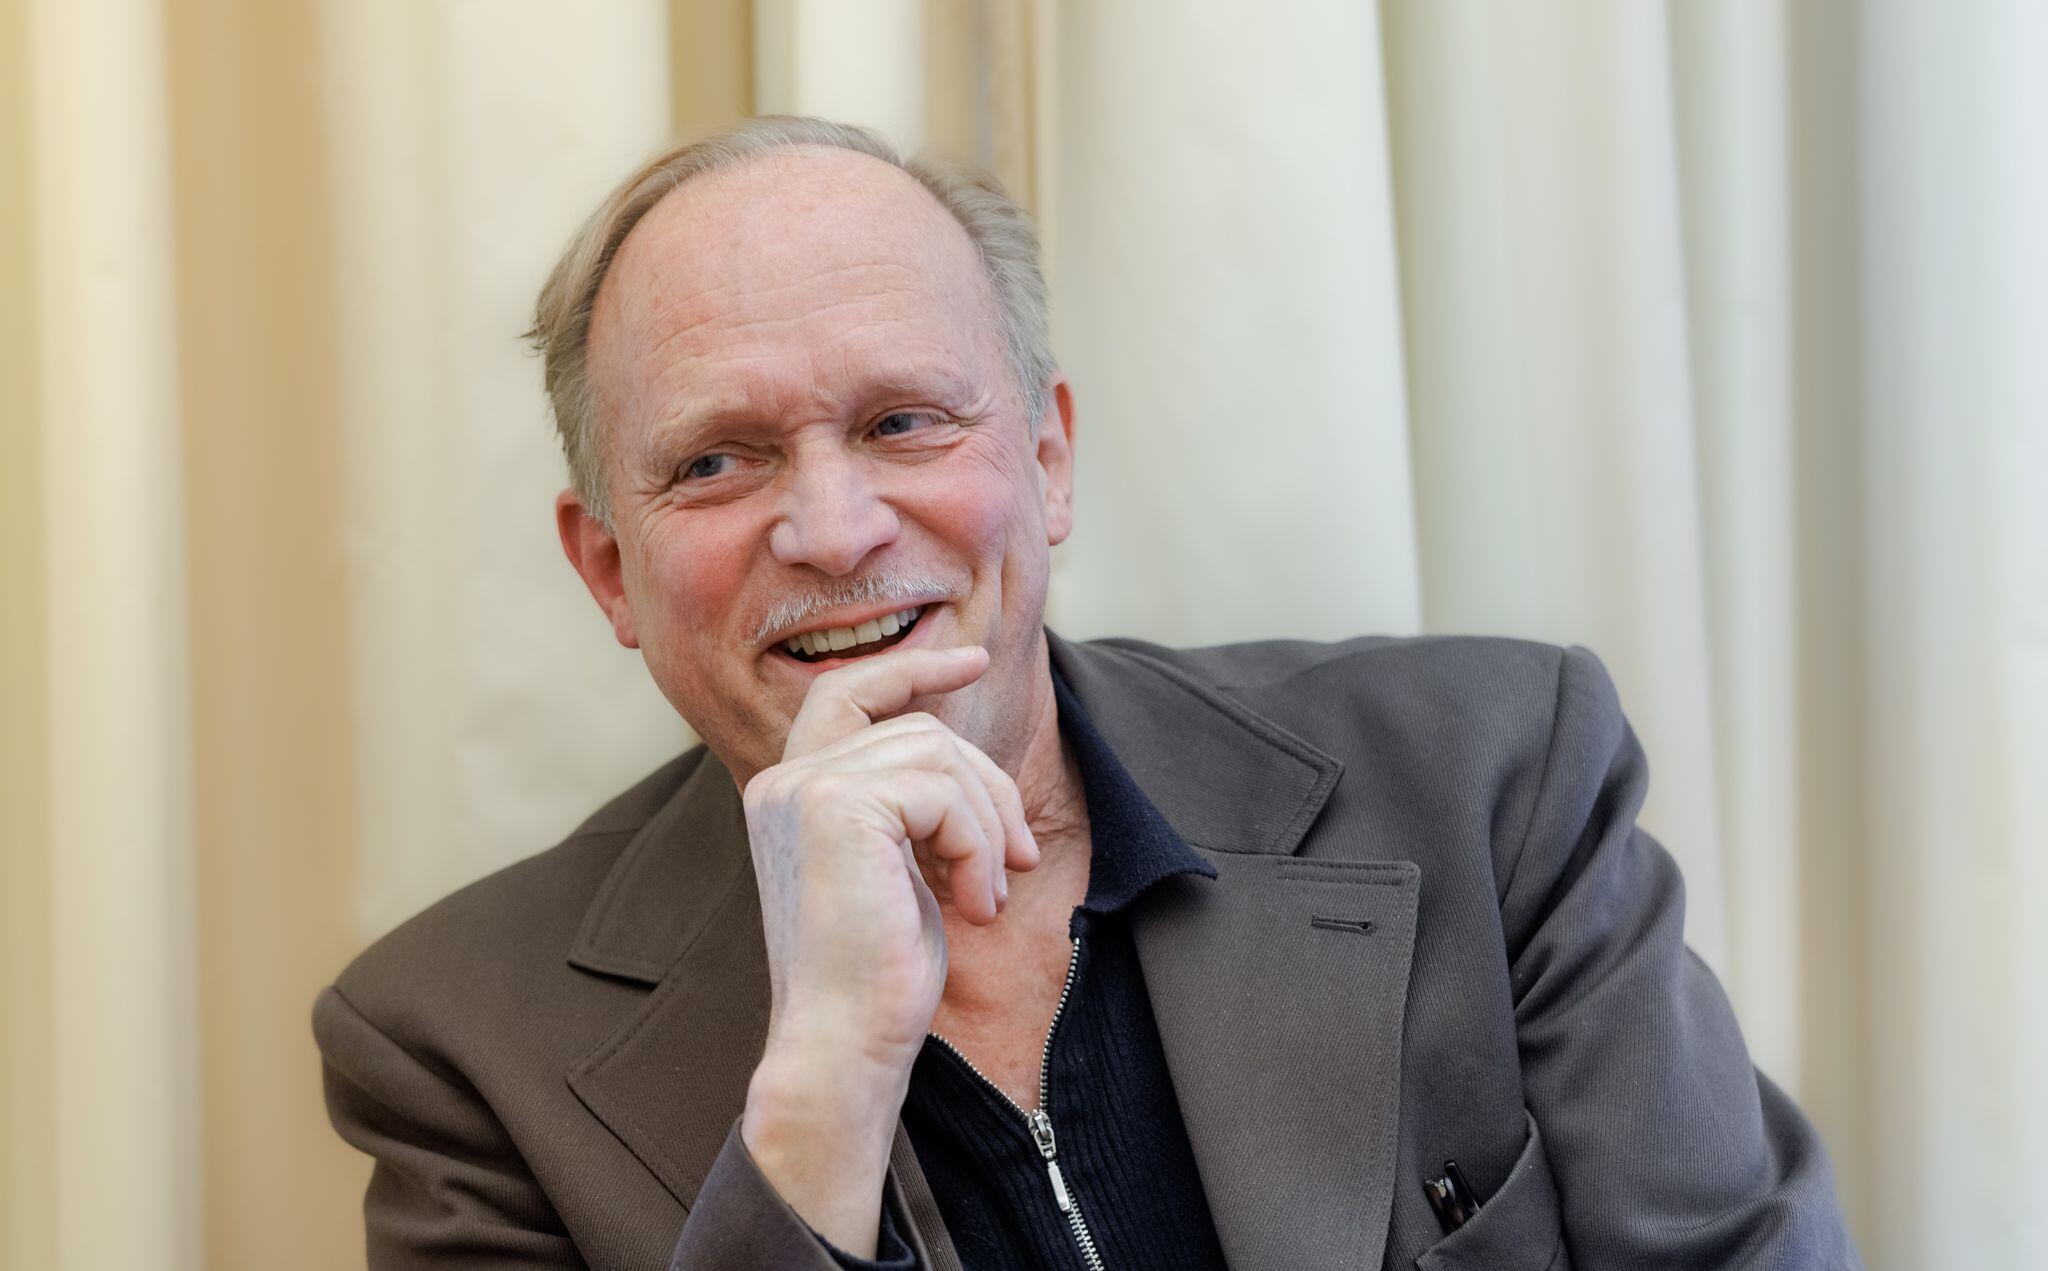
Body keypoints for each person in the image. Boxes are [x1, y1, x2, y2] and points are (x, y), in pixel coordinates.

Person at [312, 116, 1859, 1270]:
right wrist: (826, 1075)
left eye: (905, 421)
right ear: (608, 570)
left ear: (1047, 461)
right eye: (718, 460)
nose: (833, 529)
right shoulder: (458, 1047)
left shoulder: (1492, 780)